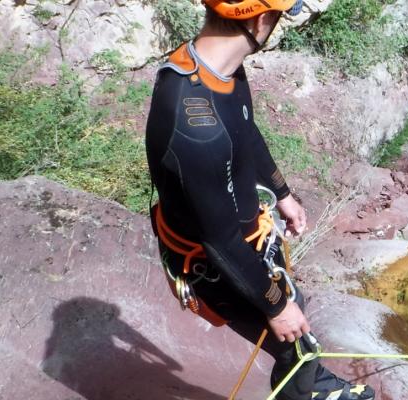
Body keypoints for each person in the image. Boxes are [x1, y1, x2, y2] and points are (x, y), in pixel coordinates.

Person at [144, 1, 373, 399]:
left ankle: (312, 382)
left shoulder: (214, 68)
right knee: (296, 343)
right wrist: (276, 307)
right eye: (281, 16)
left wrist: (282, 193)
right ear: (260, 18)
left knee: (296, 306)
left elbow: (245, 130)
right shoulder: (196, 128)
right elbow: (222, 244)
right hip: (212, 264)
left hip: (237, 237)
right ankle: (304, 392)